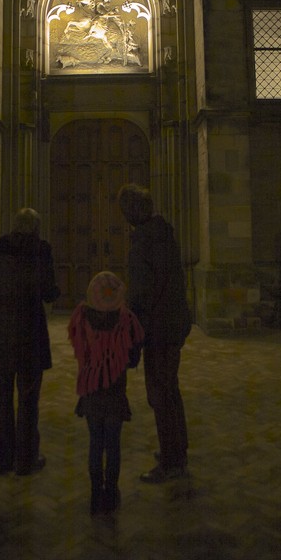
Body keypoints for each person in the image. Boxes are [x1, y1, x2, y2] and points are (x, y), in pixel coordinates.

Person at [0, 208, 60, 476]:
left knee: (2, 402)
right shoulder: (41, 252)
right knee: (29, 401)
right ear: (37, 228)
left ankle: (4, 461)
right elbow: (49, 292)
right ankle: (27, 461)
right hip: (29, 336)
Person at [117, 184, 192, 484]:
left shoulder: (144, 243)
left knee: (159, 393)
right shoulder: (164, 235)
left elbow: (141, 295)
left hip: (159, 329)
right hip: (173, 323)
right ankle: (177, 450)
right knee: (170, 388)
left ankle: (172, 462)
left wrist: (132, 334)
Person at [68, 271, 145, 514]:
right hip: (114, 393)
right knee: (112, 445)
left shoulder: (82, 319)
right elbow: (132, 359)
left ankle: (95, 493)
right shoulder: (126, 320)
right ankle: (111, 492)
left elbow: (79, 349)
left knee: (95, 443)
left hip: (91, 391)